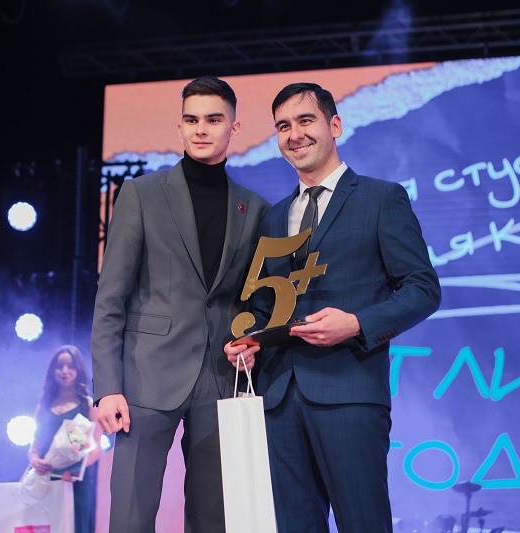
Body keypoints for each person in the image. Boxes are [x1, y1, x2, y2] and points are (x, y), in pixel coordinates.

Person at [225, 82, 441, 532]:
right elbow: (266, 304)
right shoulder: (273, 216)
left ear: (335, 125)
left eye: (305, 120)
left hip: (350, 392)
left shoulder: (381, 198)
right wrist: (249, 341)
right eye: (283, 126)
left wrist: (357, 323)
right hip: (278, 396)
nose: (294, 134)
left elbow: (422, 288)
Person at [91, 75, 270, 532]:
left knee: (216, 518)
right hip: (145, 376)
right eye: (191, 120)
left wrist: (254, 339)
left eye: (213, 119)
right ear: (180, 127)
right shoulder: (140, 194)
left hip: (221, 378)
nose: (201, 129)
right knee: (130, 517)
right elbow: (110, 298)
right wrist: (107, 387)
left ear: (234, 127)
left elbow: (256, 298)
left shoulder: (254, 208)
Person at [28, 345, 100, 533]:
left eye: (71, 366)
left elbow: (96, 449)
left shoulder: (88, 405)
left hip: (75, 481)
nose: (65, 371)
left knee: (75, 525)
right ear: (53, 370)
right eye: (60, 366)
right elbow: (35, 447)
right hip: (46, 477)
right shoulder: (43, 406)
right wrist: (34, 460)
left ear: (79, 369)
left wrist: (75, 471)